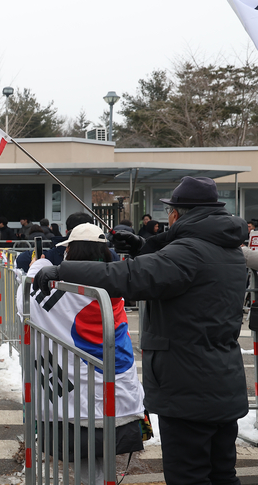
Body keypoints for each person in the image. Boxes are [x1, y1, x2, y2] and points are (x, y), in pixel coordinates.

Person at [34, 176, 249, 485]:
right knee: (222, 473)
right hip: (220, 382)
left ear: (177, 214)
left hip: (188, 385)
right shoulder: (225, 249)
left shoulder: (190, 252)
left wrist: (63, 270)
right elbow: (171, 276)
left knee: (189, 475)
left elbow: (130, 276)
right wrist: (143, 246)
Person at [24, 223, 145, 483]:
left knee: (85, 461)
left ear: (71, 252)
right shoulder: (113, 286)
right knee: (103, 456)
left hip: (78, 400)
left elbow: (29, 300)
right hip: (118, 392)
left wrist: (37, 266)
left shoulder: (66, 288)